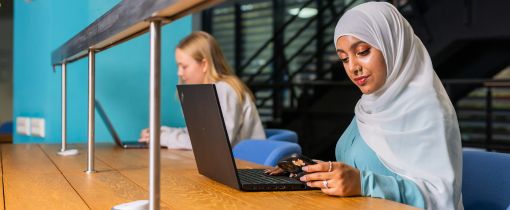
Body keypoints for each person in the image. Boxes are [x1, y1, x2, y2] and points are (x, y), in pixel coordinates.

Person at [267, 2, 463, 210]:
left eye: (362, 51)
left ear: (392, 45)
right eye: (343, 58)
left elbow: (442, 199)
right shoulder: (369, 106)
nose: (353, 67)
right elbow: (365, 168)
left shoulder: (429, 110)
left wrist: (363, 183)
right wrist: (315, 172)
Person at [139, 31, 266, 149]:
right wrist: (161, 132)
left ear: (205, 64)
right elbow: (199, 134)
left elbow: (216, 142)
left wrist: (163, 138)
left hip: (246, 165)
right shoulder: (204, 92)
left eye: (184, 66)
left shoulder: (225, 89)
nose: (179, 73)